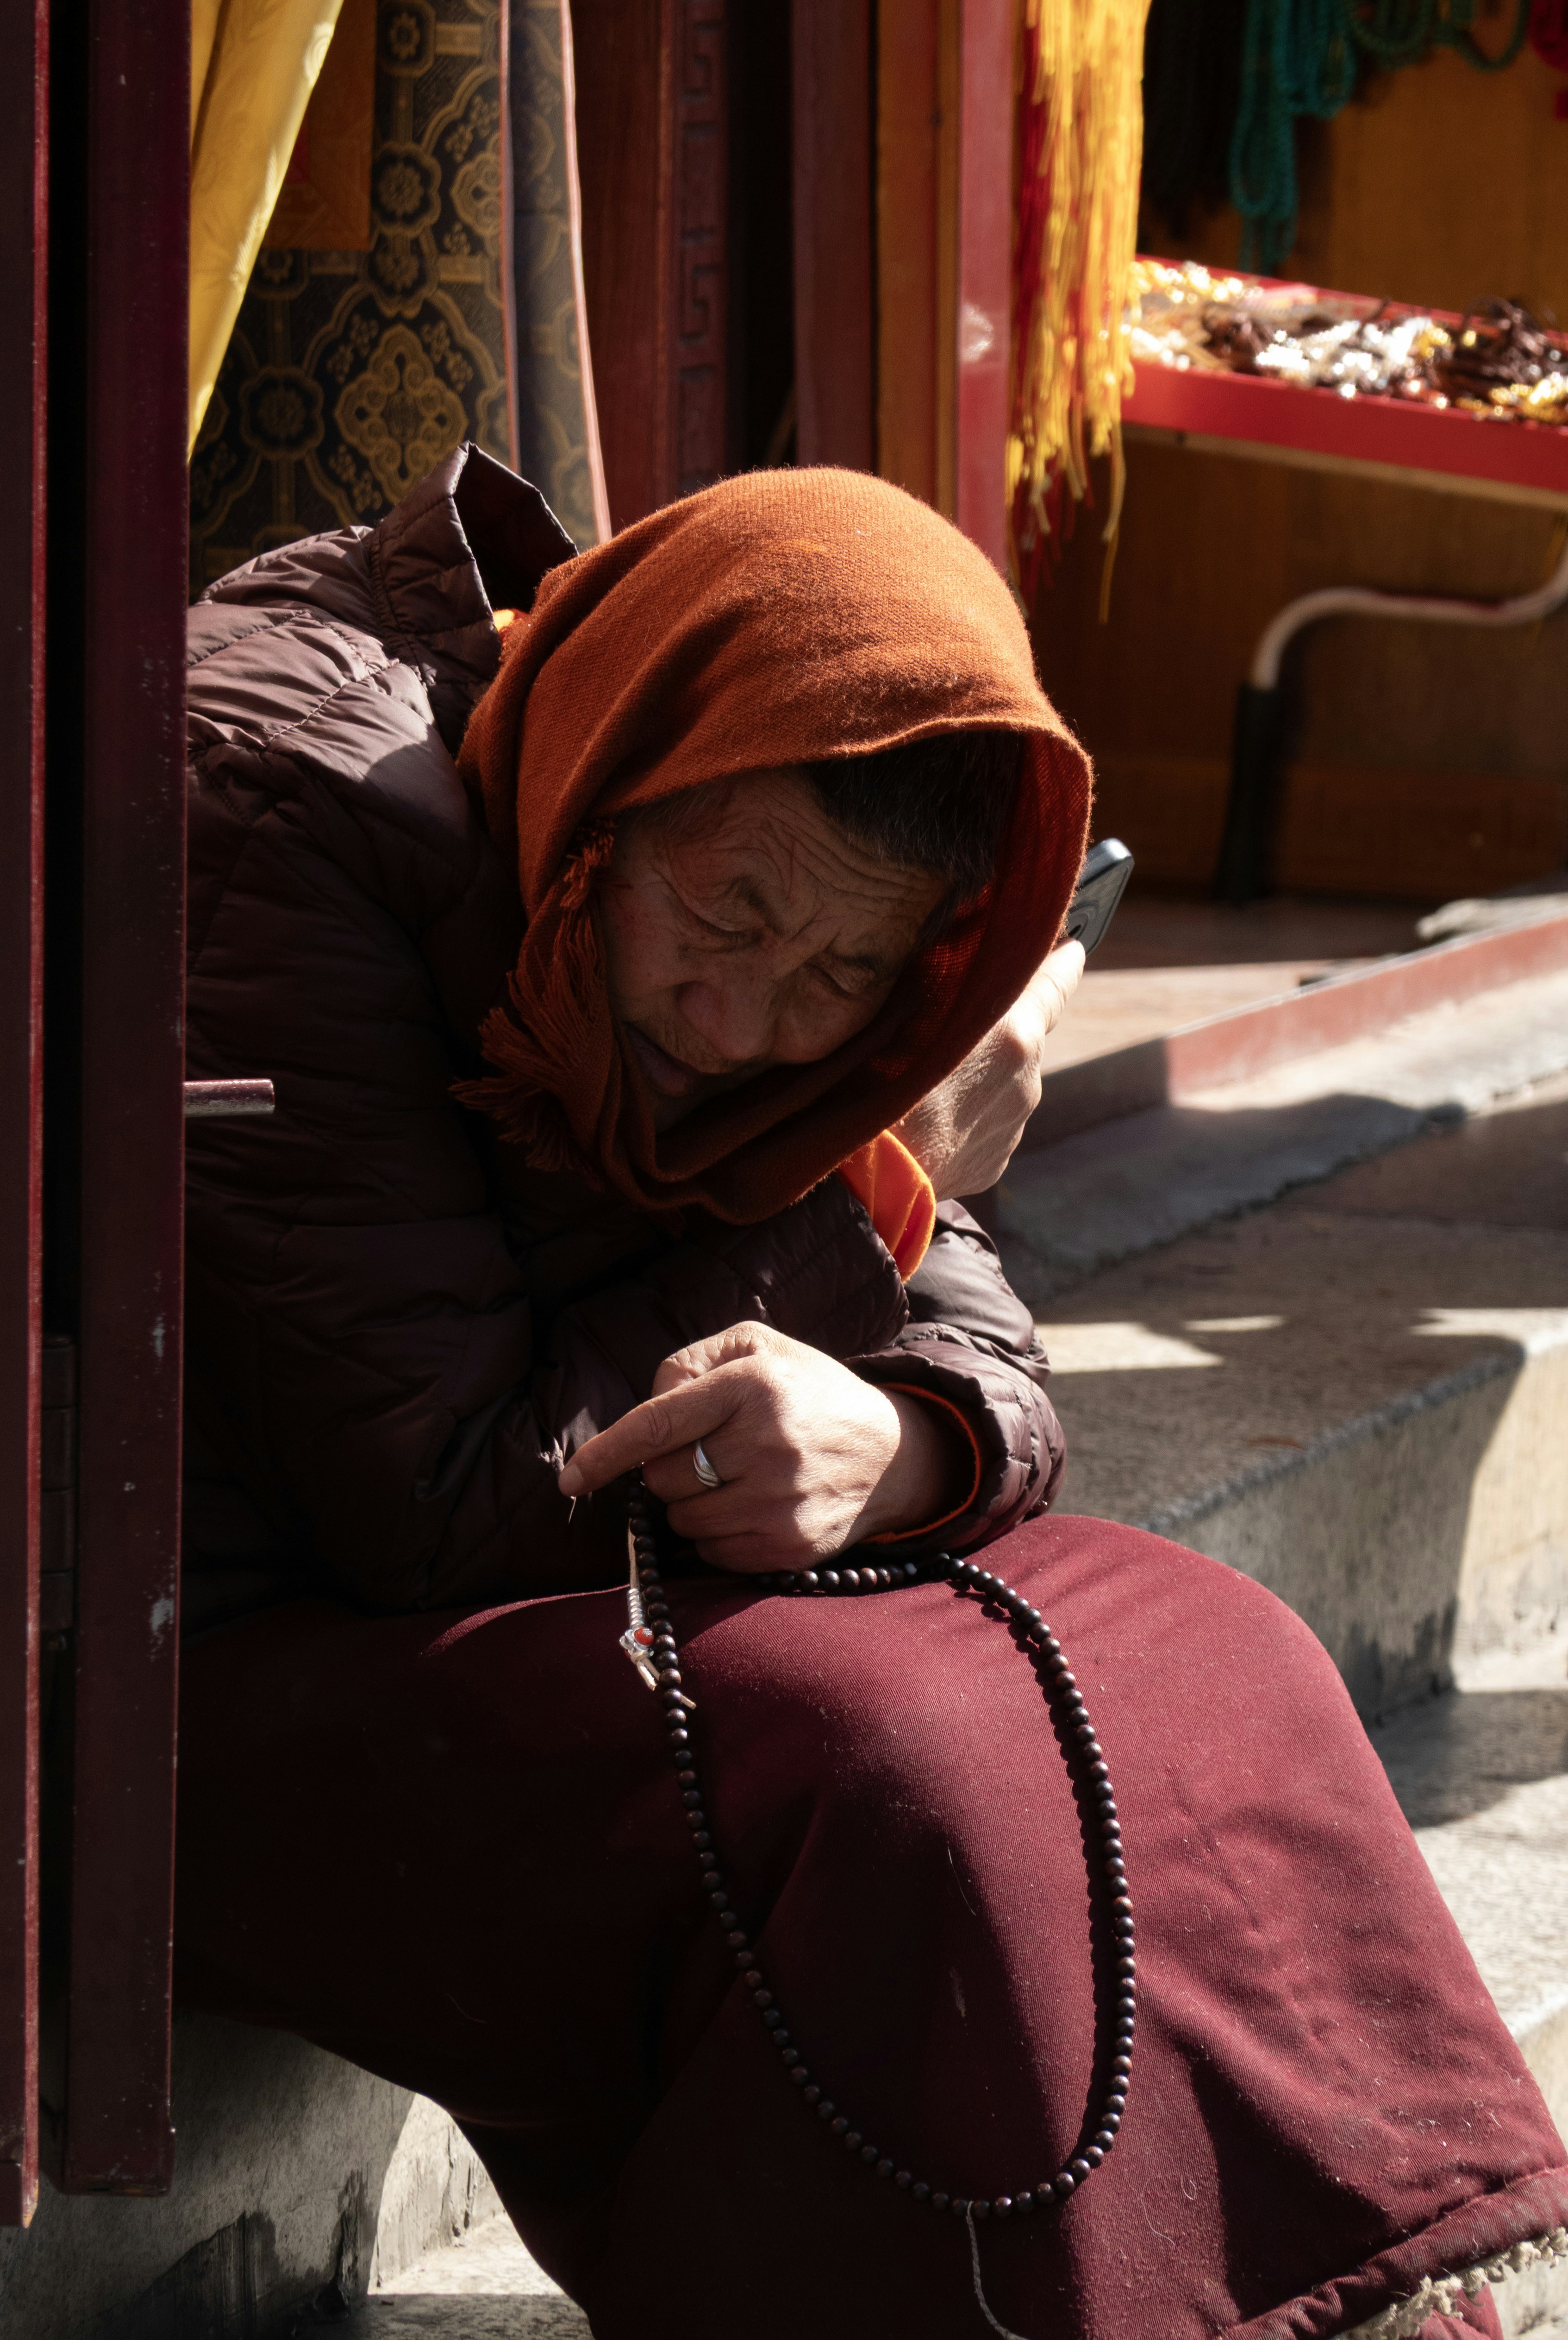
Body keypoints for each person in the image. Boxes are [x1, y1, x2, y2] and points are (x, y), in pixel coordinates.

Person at [174, 447, 1567, 2339]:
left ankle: (1347, 2304)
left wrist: (903, 1450)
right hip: (227, 1662)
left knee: (1212, 1649)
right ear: (619, 780)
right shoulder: (287, 812)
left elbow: (978, 1353)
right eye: (728, 915)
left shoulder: (709, 840)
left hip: (569, 1540)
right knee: (907, 1764)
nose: (748, 1022)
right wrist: (879, 1178)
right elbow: (425, 1490)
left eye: (840, 975)